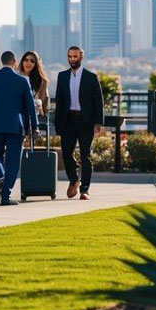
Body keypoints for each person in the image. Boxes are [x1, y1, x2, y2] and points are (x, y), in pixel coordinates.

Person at [0, 51, 38, 206]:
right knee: (12, 162)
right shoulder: (23, 80)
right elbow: (31, 107)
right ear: (14, 61)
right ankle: (5, 195)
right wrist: (34, 126)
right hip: (15, 126)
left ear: (2, 61)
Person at [54, 46, 104, 200]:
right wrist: (58, 123)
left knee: (86, 155)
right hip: (68, 120)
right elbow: (60, 102)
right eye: (69, 56)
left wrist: (98, 123)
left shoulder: (91, 77)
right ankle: (74, 179)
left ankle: (85, 190)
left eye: (75, 57)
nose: (72, 60)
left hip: (85, 121)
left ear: (81, 57)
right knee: (67, 154)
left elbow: (98, 101)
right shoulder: (62, 76)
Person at [17, 51, 50, 116]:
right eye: (26, 60)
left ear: (36, 64)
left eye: (32, 61)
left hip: (35, 118)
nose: (28, 63)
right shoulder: (16, 78)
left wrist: (40, 108)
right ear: (22, 62)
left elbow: (44, 107)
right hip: (18, 117)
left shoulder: (41, 82)